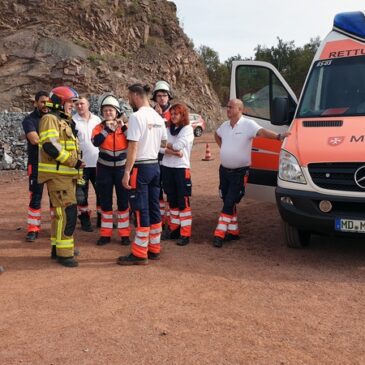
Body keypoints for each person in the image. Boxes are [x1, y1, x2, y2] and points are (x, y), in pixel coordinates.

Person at [213, 98, 290, 248]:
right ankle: (233, 232)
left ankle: (219, 233)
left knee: (230, 201)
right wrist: (223, 148)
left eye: (231, 107)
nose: (227, 109)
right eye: (227, 107)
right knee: (226, 199)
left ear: (240, 110)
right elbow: (216, 135)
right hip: (224, 171)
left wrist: (278, 136)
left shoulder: (248, 124)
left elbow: (262, 132)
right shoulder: (224, 125)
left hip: (239, 172)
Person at [117, 83, 167, 265]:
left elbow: (133, 146)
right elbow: (163, 143)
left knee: (140, 209)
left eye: (129, 97)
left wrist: (127, 172)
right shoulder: (158, 117)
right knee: (154, 207)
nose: (129, 100)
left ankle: (139, 253)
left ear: (135, 95)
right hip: (155, 166)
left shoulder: (137, 117)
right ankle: (154, 248)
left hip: (140, 167)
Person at [38, 86, 84, 267]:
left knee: (60, 214)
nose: (73, 105)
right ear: (59, 103)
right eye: (70, 102)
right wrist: (74, 162)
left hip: (65, 176)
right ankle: (65, 254)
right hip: (58, 175)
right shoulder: (50, 119)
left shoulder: (63, 121)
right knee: (67, 212)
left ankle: (59, 248)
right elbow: (50, 145)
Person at [91, 95, 130, 246]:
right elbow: (96, 142)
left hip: (121, 169)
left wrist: (123, 127)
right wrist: (108, 129)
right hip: (104, 170)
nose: (108, 113)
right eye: (106, 110)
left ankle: (124, 234)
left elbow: (133, 139)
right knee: (105, 203)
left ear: (117, 112)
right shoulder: (99, 128)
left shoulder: (124, 127)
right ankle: (105, 234)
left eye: (111, 110)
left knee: (123, 203)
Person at [160, 103, 194, 246]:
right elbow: (159, 148)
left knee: (183, 202)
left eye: (176, 114)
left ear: (182, 115)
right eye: (171, 114)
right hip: (167, 167)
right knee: (171, 201)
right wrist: (172, 151)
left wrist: (167, 146)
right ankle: (174, 229)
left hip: (181, 168)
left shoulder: (187, 130)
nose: (173, 116)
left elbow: (178, 145)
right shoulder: (167, 129)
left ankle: (185, 233)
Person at [22, 90, 50, 242]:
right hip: (37, 165)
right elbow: (34, 139)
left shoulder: (54, 118)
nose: (45, 105)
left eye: (48, 102)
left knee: (55, 197)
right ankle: (33, 229)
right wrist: (54, 144)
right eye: (42, 102)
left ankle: (56, 226)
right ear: (36, 103)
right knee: (35, 197)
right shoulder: (29, 120)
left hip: (53, 165)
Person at [73, 96, 101, 232]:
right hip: (81, 165)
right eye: (77, 104)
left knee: (101, 193)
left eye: (82, 103)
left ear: (88, 104)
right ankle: (85, 220)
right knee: (81, 195)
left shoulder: (97, 120)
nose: (79, 106)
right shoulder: (72, 121)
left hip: (98, 163)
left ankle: (102, 219)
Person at [151, 80, 173, 232]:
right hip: (155, 155)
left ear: (169, 97)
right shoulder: (150, 112)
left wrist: (160, 118)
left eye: (164, 95)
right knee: (157, 189)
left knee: (169, 189)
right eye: (159, 95)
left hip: (170, 156)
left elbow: (173, 126)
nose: (162, 98)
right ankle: (159, 219)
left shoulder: (174, 111)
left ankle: (170, 220)